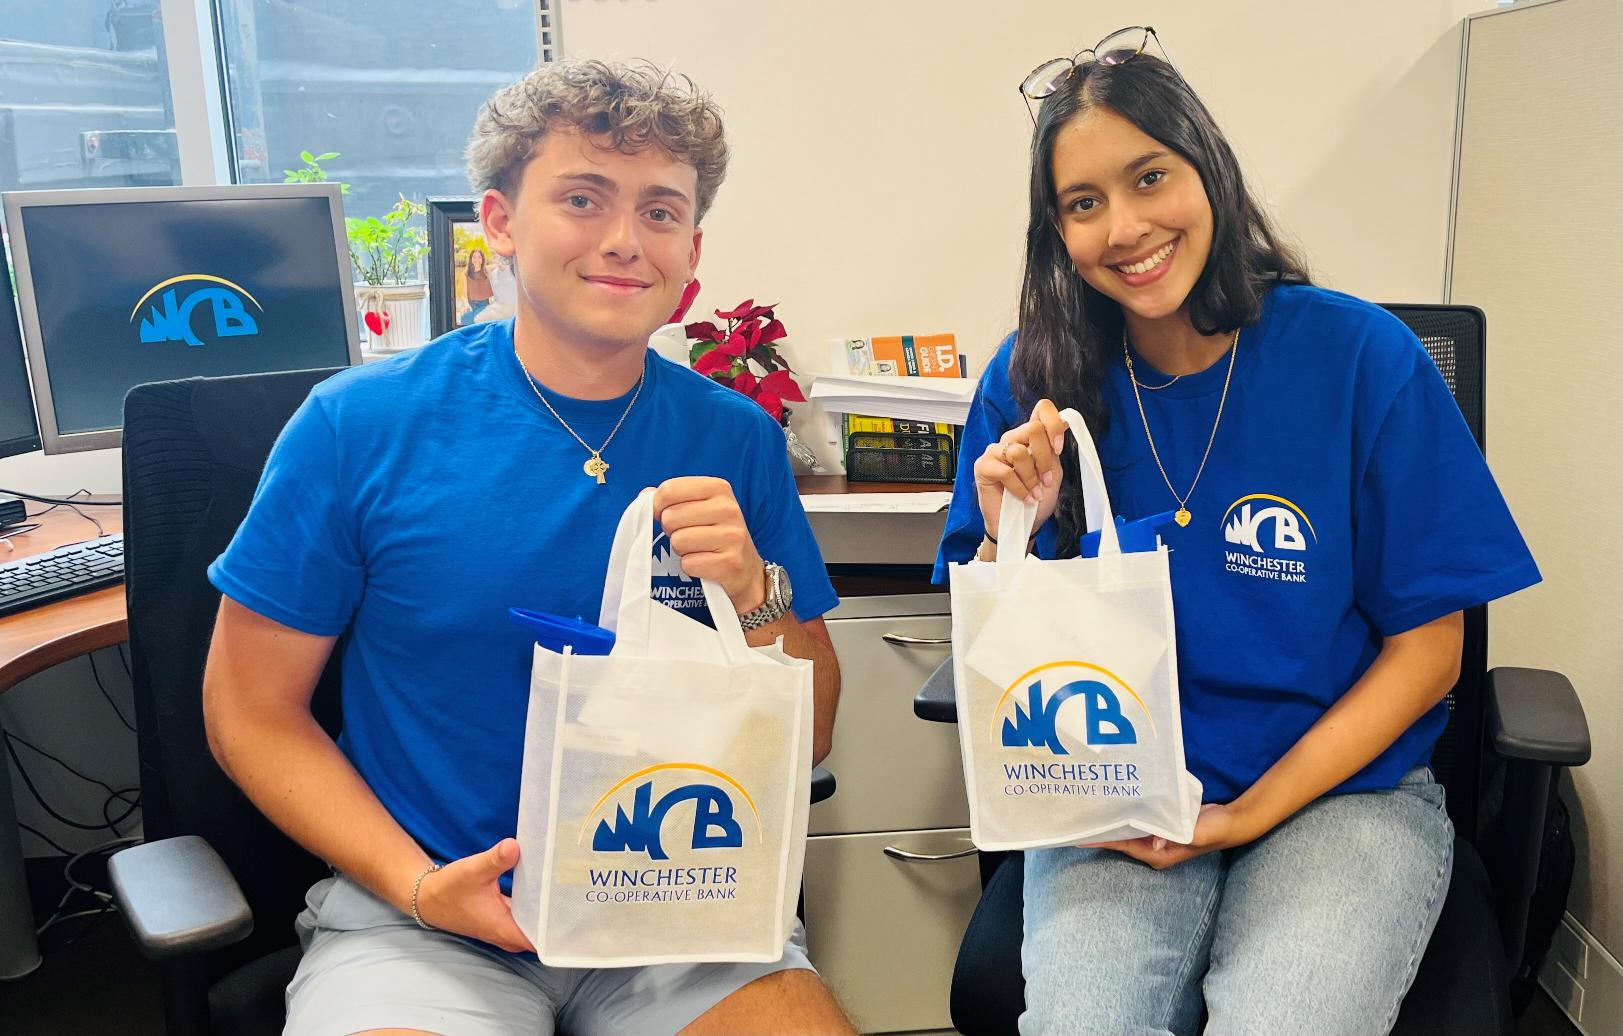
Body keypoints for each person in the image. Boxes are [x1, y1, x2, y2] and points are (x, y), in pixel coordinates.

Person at [204, 59, 854, 1036]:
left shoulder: (736, 438)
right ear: (500, 223)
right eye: (583, 199)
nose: (625, 241)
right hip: (422, 922)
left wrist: (756, 592)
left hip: (681, 914)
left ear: (693, 251)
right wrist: (420, 885)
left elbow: (811, 729)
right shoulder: (359, 427)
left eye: (661, 211)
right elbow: (250, 709)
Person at [933, 28, 1540, 1036]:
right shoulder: (1035, 378)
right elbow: (995, 653)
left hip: (1343, 791)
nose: (1124, 228)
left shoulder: (1361, 359)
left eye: (1149, 177)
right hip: (1112, 790)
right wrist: (1010, 530)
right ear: (1057, 230)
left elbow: (1431, 651)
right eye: (1084, 204)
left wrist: (1248, 812)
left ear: (1207, 167)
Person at [459, 245, 494, 325]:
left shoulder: (488, 270)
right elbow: (463, 294)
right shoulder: (465, 273)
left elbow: (501, 265)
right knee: (465, 318)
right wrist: (466, 304)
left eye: (479, 257)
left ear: (482, 259)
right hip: (471, 304)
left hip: (484, 304)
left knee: (477, 319)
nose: (477, 259)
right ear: (471, 259)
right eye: (474, 257)